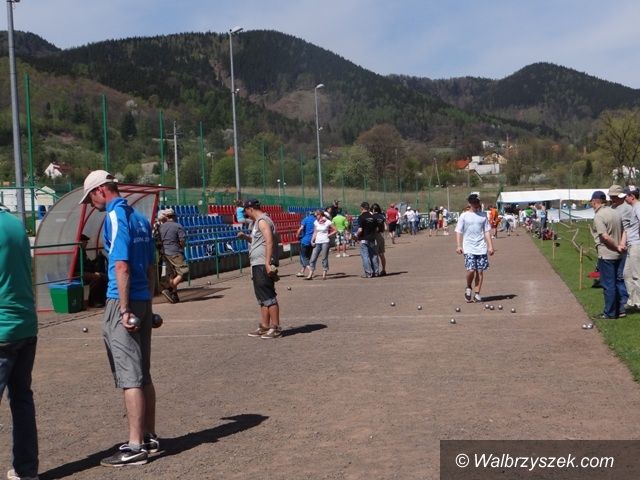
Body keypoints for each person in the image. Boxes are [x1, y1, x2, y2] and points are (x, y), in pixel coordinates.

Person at [79, 170, 158, 467]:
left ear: (100, 190)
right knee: (143, 373)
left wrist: (124, 310)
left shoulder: (115, 216)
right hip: (142, 299)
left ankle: (135, 446)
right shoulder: (140, 218)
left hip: (122, 300)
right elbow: (150, 267)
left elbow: (121, 265)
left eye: (90, 198)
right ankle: (148, 436)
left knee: (130, 376)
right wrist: (146, 303)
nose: (91, 204)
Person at [0, 211, 39, 480]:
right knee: (22, 399)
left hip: (3, 328)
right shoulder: (15, 225)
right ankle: (27, 471)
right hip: (25, 323)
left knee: (22, 398)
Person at [237, 199, 281, 338]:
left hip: (262, 263)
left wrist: (267, 263)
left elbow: (269, 240)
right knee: (262, 297)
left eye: (245, 211)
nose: (246, 214)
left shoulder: (262, 221)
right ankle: (265, 326)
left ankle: (275, 327)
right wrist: (246, 237)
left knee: (268, 295)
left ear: (250, 209)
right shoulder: (258, 222)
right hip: (258, 263)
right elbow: (259, 241)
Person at [590, 189, 627, 319]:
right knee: (618, 282)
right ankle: (620, 309)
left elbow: (604, 236)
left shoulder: (599, 216)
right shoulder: (615, 212)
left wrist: (616, 246)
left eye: (591, 202)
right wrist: (621, 245)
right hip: (619, 254)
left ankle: (610, 313)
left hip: (607, 254)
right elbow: (624, 230)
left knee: (608, 285)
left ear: (595, 201)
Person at [455, 193, 495, 303]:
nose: (475, 204)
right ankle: (468, 286)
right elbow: (458, 231)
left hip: (481, 247)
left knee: (480, 271)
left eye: (477, 202)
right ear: (470, 203)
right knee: (471, 270)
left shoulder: (483, 216)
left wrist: (490, 246)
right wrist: (458, 245)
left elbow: (486, 231)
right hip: (468, 247)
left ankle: (477, 293)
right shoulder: (464, 216)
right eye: (473, 202)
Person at [156, 208, 188, 304]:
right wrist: (182, 246)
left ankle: (174, 295)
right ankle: (169, 288)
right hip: (175, 252)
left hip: (165, 253)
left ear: (166, 216)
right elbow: (182, 241)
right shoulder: (178, 226)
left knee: (171, 274)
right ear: (174, 216)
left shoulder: (161, 227)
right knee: (184, 271)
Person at [622, 186, 640, 310]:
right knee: (627, 274)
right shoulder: (634, 207)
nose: (624, 198)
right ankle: (633, 301)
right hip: (631, 244)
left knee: (636, 275)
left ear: (632, 196)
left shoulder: (638, 207)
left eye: (626, 196)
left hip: (636, 245)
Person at [77, 233, 107, 308]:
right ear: (80, 242)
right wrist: (94, 272)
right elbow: (81, 266)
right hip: (77, 273)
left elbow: (88, 263)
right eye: (85, 242)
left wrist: (97, 259)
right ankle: (93, 301)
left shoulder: (82, 250)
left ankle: (103, 299)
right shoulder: (77, 251)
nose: (86, 244)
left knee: (104, 277)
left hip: (84, 271)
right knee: (96, 278)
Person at [307, 209, 337, 280]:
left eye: (316, 215)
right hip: (317, 242)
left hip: (325, 242)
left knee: (324, 258)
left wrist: (328, 235)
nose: (315, 217)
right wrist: (312, 240)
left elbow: (335, 230)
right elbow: (315, 232)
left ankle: (324, 273)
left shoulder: (327, 221)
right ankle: (310, 274)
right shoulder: (315, 222)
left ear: (320, 215)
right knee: (313, 258)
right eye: (315, 216)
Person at [356, 202, 379, 278]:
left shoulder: (361, 217)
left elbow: (360, 229)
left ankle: (368, 273)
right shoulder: (373, 217)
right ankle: (376, 272)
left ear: (362, 208)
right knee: (373, 256)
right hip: (372, 238)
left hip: (364, 239)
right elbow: (377, 229)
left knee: (365, 256)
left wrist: (356, 235)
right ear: (368, 208)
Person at [296, 211, 315, 277]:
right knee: (308, 257)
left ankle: (311, 270)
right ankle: (302, 271)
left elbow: (301, 228)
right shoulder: (316, 220)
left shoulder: (306, 219)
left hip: (305, 240)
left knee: (303, 257)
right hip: (312, 241)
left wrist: (297, 235)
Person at [371, 203, 387, 276]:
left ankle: (376, 270)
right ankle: (383, 270)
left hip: (375, 236)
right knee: (381, 254)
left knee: (375, 255)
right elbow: (385, 228)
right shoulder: (382, 216)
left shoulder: (372, 217)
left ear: (373, 209)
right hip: (381, 236)